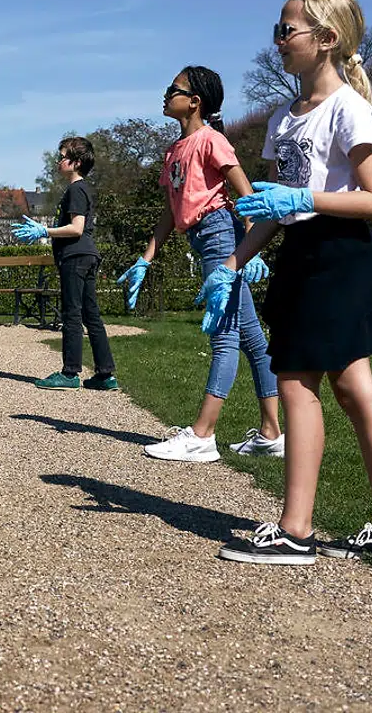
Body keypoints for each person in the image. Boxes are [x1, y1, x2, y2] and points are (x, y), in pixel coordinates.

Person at [205, 0, 372, 565]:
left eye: (287, 30)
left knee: (300, 381)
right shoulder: (281, 117)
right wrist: (231, 266)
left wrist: (305, 196)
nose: (277, 41)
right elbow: (274, 211)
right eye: (276, 29)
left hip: (339, 254)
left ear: (327, 40)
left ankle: (296, 531)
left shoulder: (349, 108)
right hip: (301, 253)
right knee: (350, 386)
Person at [119, 66, 283, 463]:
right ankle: (273, 433)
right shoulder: (175, 150)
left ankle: (202, 435)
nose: (165, 94)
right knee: (253, 340)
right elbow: (170, 211)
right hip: (202, 238)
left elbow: (246, 194)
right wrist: (146, 258)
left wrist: (250, 247)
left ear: (195, 102)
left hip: (220, 237)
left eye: (172, 89)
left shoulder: (212, 141)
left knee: (224, 336)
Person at [13, 137, 118, 390]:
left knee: (72, 313)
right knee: (91, 314)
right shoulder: (81, 189)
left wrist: (44, 231)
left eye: (63, 156)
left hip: (76, 257)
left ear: (76, 162)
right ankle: (105, 375)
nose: (58, 160)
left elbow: (76, 228)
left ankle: (70, 373)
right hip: (87, 256)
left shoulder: (76, 190)